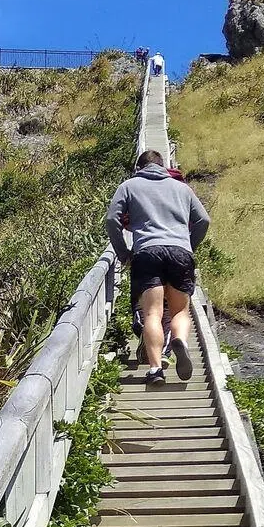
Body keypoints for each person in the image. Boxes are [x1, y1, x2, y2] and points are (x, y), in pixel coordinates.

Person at [105, 150, 210, 387]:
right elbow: (204, 220)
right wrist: (188, 245)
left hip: (147, 252)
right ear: (164, 167)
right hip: (180, 252)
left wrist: (123, 253)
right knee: (180, 312)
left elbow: (112, 220)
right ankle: (180, 340)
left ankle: (155, 369)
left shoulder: (129, 186)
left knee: (153, 313)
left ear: (138, 168)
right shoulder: (182, 188)